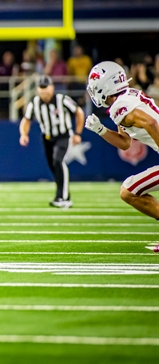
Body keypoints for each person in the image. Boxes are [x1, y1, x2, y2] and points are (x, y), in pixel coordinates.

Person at [84, 62, 159, 248]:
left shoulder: (120, 106)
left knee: (129, 191)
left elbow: (150, 123)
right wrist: (100, 130)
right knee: (129, 189)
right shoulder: (124, 100)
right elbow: (124, 142)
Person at [19, 76, 84, 207]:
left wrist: (77, 133)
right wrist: (23, 134)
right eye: (41, 91)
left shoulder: (62, 100)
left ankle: (65, 198)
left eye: (46, 91)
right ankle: (60, 195)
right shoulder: (35, 103)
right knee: (54, 167)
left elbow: (79, 112)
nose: (44, 94)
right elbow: (26, 119)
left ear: (52, 88)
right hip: (47, 138)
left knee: (58, 161)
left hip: (63, 135)